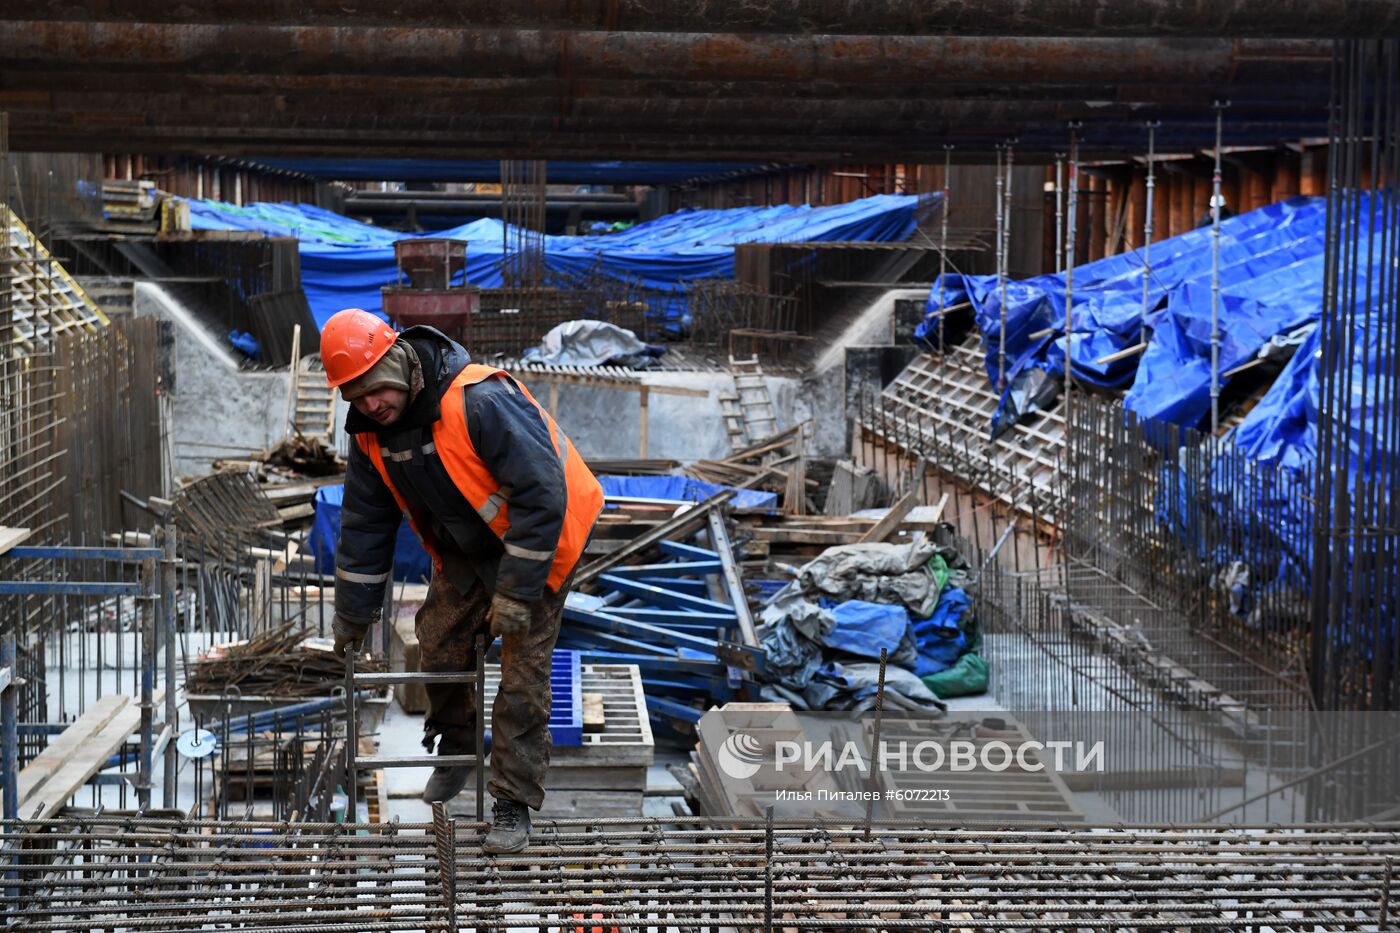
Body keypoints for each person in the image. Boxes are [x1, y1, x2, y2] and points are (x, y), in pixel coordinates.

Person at [321, 308, 603, 853]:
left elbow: (543, 497)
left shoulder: (479, 400)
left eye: (374, 388)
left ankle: (512, 802)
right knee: (438, 642)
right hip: (468, 546)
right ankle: (456, 743)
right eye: (354, 396)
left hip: (544, 540)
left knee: (522, 677)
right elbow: (362, 527)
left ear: (397, 361)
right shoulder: (371, 436)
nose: (369, 404)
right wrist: (353, 616)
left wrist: (518, 594)